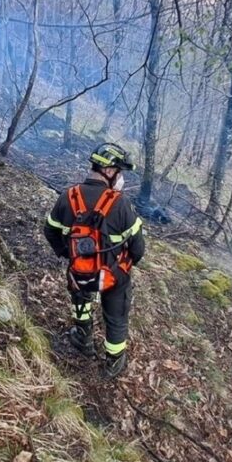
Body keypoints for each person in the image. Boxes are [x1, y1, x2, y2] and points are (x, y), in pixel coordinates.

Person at [43, 143, 145, 378]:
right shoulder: (121, 204)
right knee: (116, 316)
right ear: (109, 171)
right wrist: (124, 263)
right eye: (120, 172)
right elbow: (138, 248)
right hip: (113, 276)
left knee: (80, 297)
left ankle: (83, 336)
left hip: (80, 273)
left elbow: (50, 231)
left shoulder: (68, 197)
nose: (121, 179)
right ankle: (114, 361)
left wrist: (69, 254)